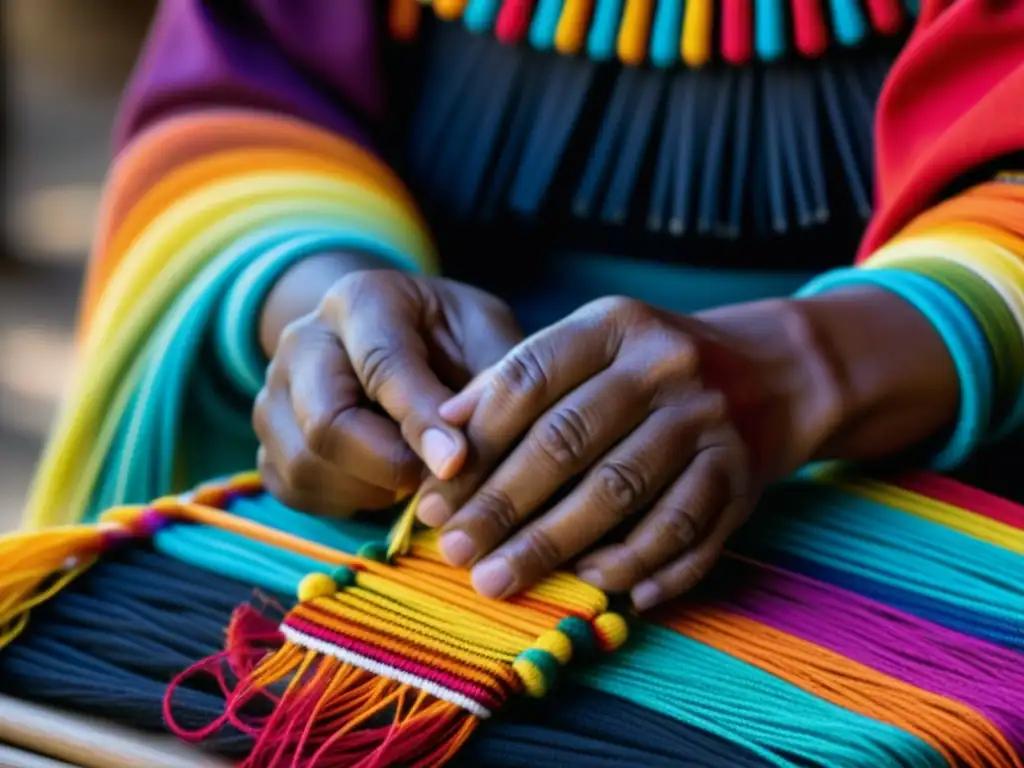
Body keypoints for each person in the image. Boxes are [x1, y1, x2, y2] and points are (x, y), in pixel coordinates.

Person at [27, 0, 1024, 614]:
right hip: (410, 534)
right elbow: (245, 85)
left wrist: (804, 365)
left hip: (917, 538)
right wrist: (320, 307)